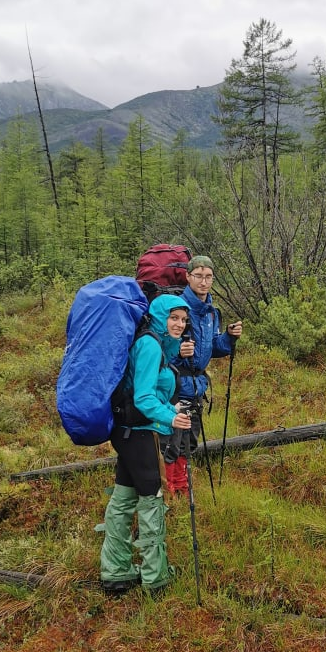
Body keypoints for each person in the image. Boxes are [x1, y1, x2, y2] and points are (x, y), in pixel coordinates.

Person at [100, 294, 193, 596]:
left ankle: (116, 573)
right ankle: (156, 578)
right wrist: (170, 418)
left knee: (123, 501)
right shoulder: (151, 345)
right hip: (140, 434)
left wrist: (170, 407)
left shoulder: (155, 343)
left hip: (128, 432)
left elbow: (148, 392)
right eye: (174, 317)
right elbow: (142, 397)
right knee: (152, 502)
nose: (179, 324)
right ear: (159, 316)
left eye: (183, 319)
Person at [163, 255, 243, 495]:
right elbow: (160, 348)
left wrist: (228, 337)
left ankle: (182, 487)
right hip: (175, 384)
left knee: (189, 440)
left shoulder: (211, 312)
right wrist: (177, 350)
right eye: (198, 276)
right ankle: (171, 489)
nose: (204, 281)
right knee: (172, 440)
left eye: (208, 276)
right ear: (188, 277)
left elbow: (212, 348)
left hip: (197, 385)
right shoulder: (177, 308)